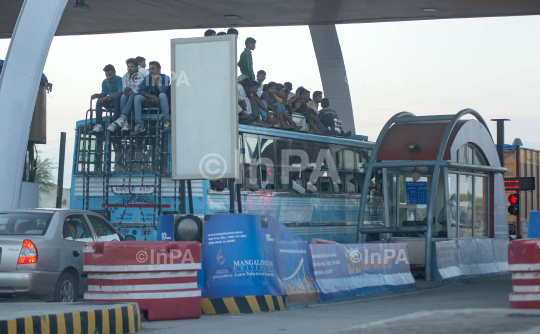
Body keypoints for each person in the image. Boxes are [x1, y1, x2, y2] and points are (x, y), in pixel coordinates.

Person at [114, 61, 171, 135]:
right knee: (137, 97)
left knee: (162, 95)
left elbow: (162, 90)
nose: (150, 71)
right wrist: (152, 96)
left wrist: (156, 79)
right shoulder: (147, 78)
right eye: (149, 69)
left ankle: (167, 122)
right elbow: (141, 91)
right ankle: (139, 125)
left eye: (153, 69)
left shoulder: (165, 78)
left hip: (163, 102)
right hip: (152, 100)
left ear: (159, 69)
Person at [108, 58, 142, 132]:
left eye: (131, 66)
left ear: (136, 67)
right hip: (128, 96)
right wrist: (126, 90)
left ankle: (122, 118)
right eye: (128, 66)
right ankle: (125, 123)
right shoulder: (125, 77)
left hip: (137, 97)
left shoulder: (141, 77)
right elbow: (124, 88)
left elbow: (139, 90)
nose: (129, 68)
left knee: (133, 95)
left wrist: (130, 90)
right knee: (123, 96)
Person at [90, 64, 122, 132]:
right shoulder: (104, 82)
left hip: (119, 102)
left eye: (110, 75)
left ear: (114, 72)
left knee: (116, 98)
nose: (108, 77)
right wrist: (96, 95)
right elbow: (103, 94)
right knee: (99, 101)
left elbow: (120, 93)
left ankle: (114, 123)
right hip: (109, 102)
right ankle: (99, 124)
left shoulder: (120, 79)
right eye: (107, 75)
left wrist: (107, 97)